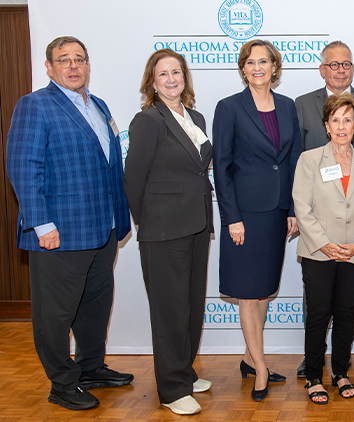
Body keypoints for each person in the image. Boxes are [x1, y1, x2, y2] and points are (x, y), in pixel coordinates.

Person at [5, 36, 132, 410]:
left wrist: (119, 219)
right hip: (59, 232)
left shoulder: (98, 105)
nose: (73, 66)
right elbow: (23, 168)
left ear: (88, 65)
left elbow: (109, 166)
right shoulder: (34, 105)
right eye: (64, 60)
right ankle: (61, 383)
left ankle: (90, 368)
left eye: (79, 59)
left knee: (95, 305)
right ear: (49, 67)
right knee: (55, 314)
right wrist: (41, 225)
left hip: (102, 228)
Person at [123, 49, 213, 415]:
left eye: (177, 72)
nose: (172, 79)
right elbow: (133, 179)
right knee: (169, 310)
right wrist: (145, 221)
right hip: (163, 230)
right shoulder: (148, 120)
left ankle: (185, 373)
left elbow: (197, 171)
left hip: (197, 224)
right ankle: (172, 389)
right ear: (152, 81)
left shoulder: (195, 117)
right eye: (164, 74)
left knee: (190, 306)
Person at [213, 39, 301, 401]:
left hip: (277, 211)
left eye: (264, 61)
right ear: (243, 68)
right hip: (245, 215)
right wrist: (232, 217)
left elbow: (293, 158)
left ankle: (251, 359)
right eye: (251, 62)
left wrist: (294, 208)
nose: (258, 67)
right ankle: (261, 369)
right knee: (249, 294)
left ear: (274, 67)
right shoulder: (229, 107)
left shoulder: (287, 105)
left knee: (264, 291)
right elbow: (221, 166)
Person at [294, 40, 354, 378]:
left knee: (347, 311)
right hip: (319, 244)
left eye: (346, 64)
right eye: (336, 120)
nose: (342, 126)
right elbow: (302, 203)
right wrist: (322, 242)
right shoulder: (302, 108)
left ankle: (341, 369)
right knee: (317, 311)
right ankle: (314, 370)